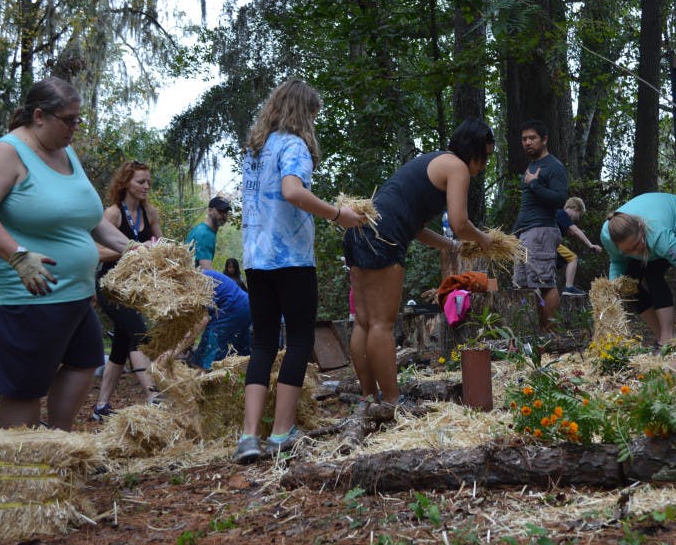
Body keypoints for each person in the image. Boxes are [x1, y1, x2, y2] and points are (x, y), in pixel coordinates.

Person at [0, 77, 138, 430]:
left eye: (79, 119)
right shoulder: (4, 153)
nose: (75, 128)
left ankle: (57, 446)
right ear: (39, 116)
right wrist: (18, 256)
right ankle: (20, 472)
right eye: (69, 119)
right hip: (24, 292)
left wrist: (134, 250)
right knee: (24, 387)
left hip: (72, 293)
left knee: (84, 359)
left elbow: (91, 219)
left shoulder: (66, 152)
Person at [233, 80, 365, 464]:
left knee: (262, 344)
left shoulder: (255, 150)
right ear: (303, 112)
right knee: (300, 341)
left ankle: (248, 436)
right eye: (314, 115)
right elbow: (292, 191)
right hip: (290, 258)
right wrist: (339, 215)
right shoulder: (295, 146)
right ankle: (281, 433)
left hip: (257, 260)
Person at [344, 118, 495, 413]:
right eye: (485, 155)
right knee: (380, 324)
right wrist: (483, 238)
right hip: (383, 238)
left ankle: (367, 396)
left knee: (363, 321)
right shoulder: (457, 167)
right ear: (473, 149)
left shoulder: (434, 162)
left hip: (361, 227)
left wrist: (452, 245)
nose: (484, 165)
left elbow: (416, 228)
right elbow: (460, 222)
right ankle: (391, 401)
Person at [92, 160, 164, 420]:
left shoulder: (150, 213)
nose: (146, 186)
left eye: (148, 182)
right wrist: (130, 249)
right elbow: (96, 252)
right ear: (125, 183)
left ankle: (101, 406)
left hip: (135, 291)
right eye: (140, 182)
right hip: (110, 287)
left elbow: (161, 245)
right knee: (140, 333)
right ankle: (154, 395)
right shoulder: (112, 214)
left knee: (121, 345)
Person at [600, 193, 676, 345]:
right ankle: (662, 338)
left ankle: (668, 337)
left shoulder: (659, 237)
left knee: (652, 272)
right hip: (650, 226)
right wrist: (613, 289)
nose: (636, 253)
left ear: (641, 228)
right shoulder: (608, 236)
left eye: (636, 246)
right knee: (628, 285)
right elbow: (617, 261)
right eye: (628, 251)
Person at [511, 119, 568, 331]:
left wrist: (534, 184)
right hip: (526, 235)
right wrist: (514, 234)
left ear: (544, 139)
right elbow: (527, 205)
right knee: (523, 283)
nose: (527, 142)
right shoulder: (532, 166)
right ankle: (534, 333)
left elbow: (560, 200)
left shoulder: (553, 166)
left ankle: (551, 334)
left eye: (532, 138)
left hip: (542, 232)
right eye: (524, 139)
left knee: (544, 284)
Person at [186, 268, 252, 370]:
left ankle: (202, 380)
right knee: (241, 356)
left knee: (203, 361)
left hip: (232, 308)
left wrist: (173, 353)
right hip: (247, 305)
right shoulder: (203, 274)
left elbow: (203, 320)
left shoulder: (196, 282)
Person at [555, 196, 602, 296]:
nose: (577, 219)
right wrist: (590, 245)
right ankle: (569, 287)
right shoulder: (562, 214)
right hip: (550, 244)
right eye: (579, 215)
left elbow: (570, 231)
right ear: (576, 208)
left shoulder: (558, 214)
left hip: (544, 245)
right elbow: (575, 230)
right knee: (573, 258)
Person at [186, 195, 230, 268]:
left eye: (226, 212)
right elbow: (207, 271)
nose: (224, 215)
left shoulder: (202, 229)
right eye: (220, 211)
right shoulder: (205, 234)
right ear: (209, 211)